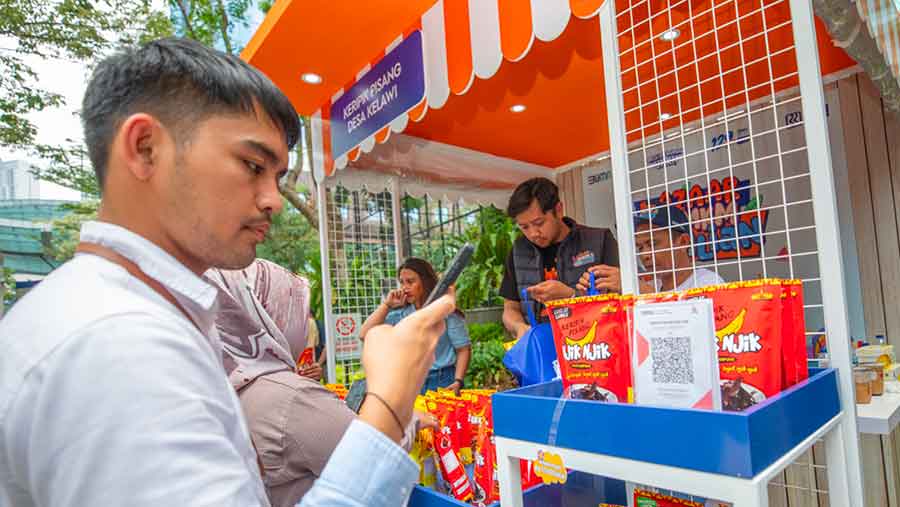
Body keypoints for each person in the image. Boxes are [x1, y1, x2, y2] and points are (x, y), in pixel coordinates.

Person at [0, 37, 455, 507]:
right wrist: (391, 399)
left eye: (276, 176)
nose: (274, 199)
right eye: (252, 165)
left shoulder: (114, 315)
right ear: (144, 148)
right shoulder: (119, 345)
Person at [209, 259, 432, 506]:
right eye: (297, 313)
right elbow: (373, 463)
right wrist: (407, 418)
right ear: (269, 316)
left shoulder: (222, 387)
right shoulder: (292, 398)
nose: (304, 325)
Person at [500, 177, 620, 339]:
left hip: (593, 348)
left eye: (539, 223)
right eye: (524, 227)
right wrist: (518, 327)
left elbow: (619, 300)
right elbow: (510, 307)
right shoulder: (518, 251)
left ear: (559, 210)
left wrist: (570, 296)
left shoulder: (599, 240)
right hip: (541, 350)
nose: (533, 233)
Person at [360, 258, 471, 394]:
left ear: (425, 281)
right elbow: (364, 335)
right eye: (402, 282)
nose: (405, 288)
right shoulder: (400, 313)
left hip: (442, 380)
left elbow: (463, 349)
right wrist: (386, 305)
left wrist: (458, 380)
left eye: (410, 282)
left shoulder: (445, 311)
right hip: (410, 382)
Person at [578, 205, 724, 294]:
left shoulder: (709, 283)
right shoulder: (653, 286)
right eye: (640, 247)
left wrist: (635, 287)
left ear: (683, 242)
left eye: (653, 244)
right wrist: (602, 294)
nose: (645, 255)